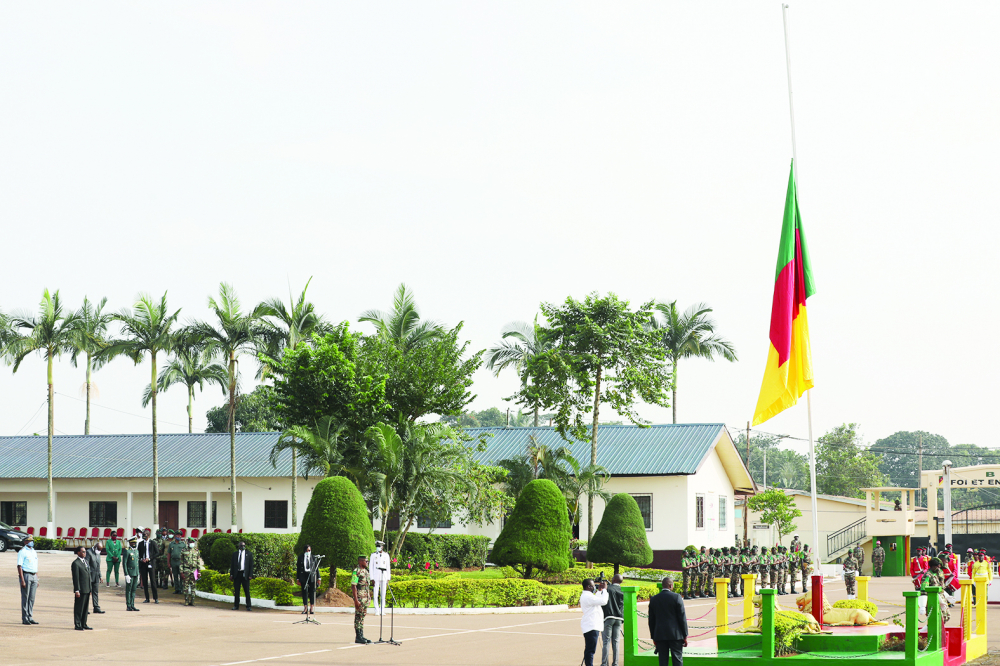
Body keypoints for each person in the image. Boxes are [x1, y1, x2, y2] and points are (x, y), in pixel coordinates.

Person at [648, 576, 688, 666]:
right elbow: (682, 617)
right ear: (670, 585)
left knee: (662, 660)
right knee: (677, 659)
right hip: (675, 634)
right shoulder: (677, 597)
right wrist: (685, 635)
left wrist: (653, 636)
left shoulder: (654, 599)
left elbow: (651, 620)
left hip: (660, 634)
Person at [580, 577, 609, 666]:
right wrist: (605, 590)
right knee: (591, 650)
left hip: (591, 625)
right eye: (593, 586)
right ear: (589, 586)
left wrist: (600, 591)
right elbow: (603, 601)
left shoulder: (588, 596)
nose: (594, 587)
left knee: (590, 648)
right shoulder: (587, 596)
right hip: (591, 626)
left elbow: (596, 600)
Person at [601, 574, 624, 666]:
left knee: (606, 641)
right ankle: (615, 663)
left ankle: (604, 663)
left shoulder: (608, 589)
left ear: (613, 579)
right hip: (619, 618)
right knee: (616, 642)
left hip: (609, 617)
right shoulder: (623, 590)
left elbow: (602, 601)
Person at [17, 534, 39, 625]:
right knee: (25, 597)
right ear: (25, 542)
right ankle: (25, 617)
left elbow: (35, 565)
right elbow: (19, 566)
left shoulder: (33, 551)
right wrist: (22, 580)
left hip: (34, 575)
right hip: (26, 575)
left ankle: (30, 616)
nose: (31, 542)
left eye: (32, 541)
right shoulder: (22, 551)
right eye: (29, 541)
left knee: (32, 598)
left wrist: (37, 578)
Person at [920, 558, 950, 622]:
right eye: (937, 567)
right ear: (933, 566)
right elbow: (923, 590)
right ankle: (929, 629)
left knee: (946, 616)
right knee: (936, 619)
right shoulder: (927, 576)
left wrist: (947, 596)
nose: (938, 569)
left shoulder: (936, 574)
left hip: (940, 598)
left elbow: (940, 586)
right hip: (932, 600)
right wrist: (923, 606)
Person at [71, 546, 94, 630]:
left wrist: (90, 589)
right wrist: (77, 590)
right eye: (83, 552)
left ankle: (84, 623)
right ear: (78, 552)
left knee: (85, 608)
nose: (84, 553)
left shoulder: (86, 562)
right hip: (81, 589)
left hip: (87, 588)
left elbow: (88, 576)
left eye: (85, 552)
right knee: (79, 608)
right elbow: (76, 578)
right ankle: (78, 624)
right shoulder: (76, 563)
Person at [351, 555, 373, 644]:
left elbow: (367, 586)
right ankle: (358, 636)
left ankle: (361, 635)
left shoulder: (366, 572)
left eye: (367, 561)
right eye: (365, 561)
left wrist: (369, 597)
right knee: (358, 617)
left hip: (365, 597)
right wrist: (356, 600)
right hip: (360, 597)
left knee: (362, 617)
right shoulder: (356, 572)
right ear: (360, 561)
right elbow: (353, 586)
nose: (367, 563)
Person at [230, 540, 254, 611]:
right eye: (241, 546)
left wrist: (250, 575)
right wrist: (231, 574)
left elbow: (251, 566)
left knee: (247, 591)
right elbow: (232, 565)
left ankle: (248, 606)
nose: (242, 547)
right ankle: (236, 606)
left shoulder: (249, 554)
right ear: (239, 546)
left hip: (245, 574)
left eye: (244, 546)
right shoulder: (235, 554)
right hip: (237, 574)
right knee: (237, 591)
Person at [369, 540, 391, 616]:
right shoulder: (373, 555)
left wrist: (388, 577)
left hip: (384, 575)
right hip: (376, 576)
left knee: (383, 594)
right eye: (377, 546)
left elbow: (388, 567)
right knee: (375, 594)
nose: (378, 548)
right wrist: (371, 578)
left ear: (382, 547)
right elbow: (371, 567)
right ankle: (376, 610)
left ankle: (382, 609)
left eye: (379, 546)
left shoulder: (386, 555)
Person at [137, 527, 158, 604]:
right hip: (143, 564)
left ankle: (155, 598)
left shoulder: (153, 543)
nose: (143, 536)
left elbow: (157, 553)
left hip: (151, 563)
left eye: (145, 534)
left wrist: (149, 558)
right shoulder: (140, 544)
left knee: (153, 581)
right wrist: (141, 559)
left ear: (148, 535)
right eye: (143, 534)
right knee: (144, 582)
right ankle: (147, 598)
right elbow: (138, 554)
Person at [297, 544, 320, 614]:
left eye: (309, 550)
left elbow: (316, 568)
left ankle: (312, 608)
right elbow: (298, 569)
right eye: (307, 550)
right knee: (304, 591)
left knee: (312, 591)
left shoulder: (313, 557)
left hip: (311, 576)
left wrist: (319, 578)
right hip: (304, 575)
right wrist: (298, 578)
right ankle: (305, 607)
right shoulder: (300, 557)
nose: (308, 552)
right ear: (304, 551)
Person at [85, 541, 105, 615]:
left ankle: (96, 607)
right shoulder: (89, 552)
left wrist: (100, 576)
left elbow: (98, 565)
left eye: (100, 550)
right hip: (89, 576)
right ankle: (85, 608)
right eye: (98, 549)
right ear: (95, 547)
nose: (99, 551)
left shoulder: (98, 553)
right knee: (87, 593)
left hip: (96, 576)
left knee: (95, 593)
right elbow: (86, 565)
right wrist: (87, 576)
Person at [181, 537, 200, 606]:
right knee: (185, 586)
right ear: (188, 543)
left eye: (192, 542)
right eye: (190, 542)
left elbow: (198, 562)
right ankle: (186, 600)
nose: (191, 544)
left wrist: (199, 572)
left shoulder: (196, 551)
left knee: (193, 586)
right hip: (186, 570)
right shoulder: (184, 551)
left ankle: (192, 601)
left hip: (194, 570)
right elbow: (181, 562)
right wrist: (181, 572)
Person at [123, 536, 140, 611]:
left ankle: (133, 604)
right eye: (133, 543)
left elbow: (137, 563)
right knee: (129, 590)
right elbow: (124, 563)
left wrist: (138, 573)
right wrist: (126, 574)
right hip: (130, 573)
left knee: (134, 590)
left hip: (135, 573)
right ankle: (128, 605)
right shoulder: (127, 551)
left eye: (135, 543)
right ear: (130, 543)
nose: (134, 544)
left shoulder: (136, 551)